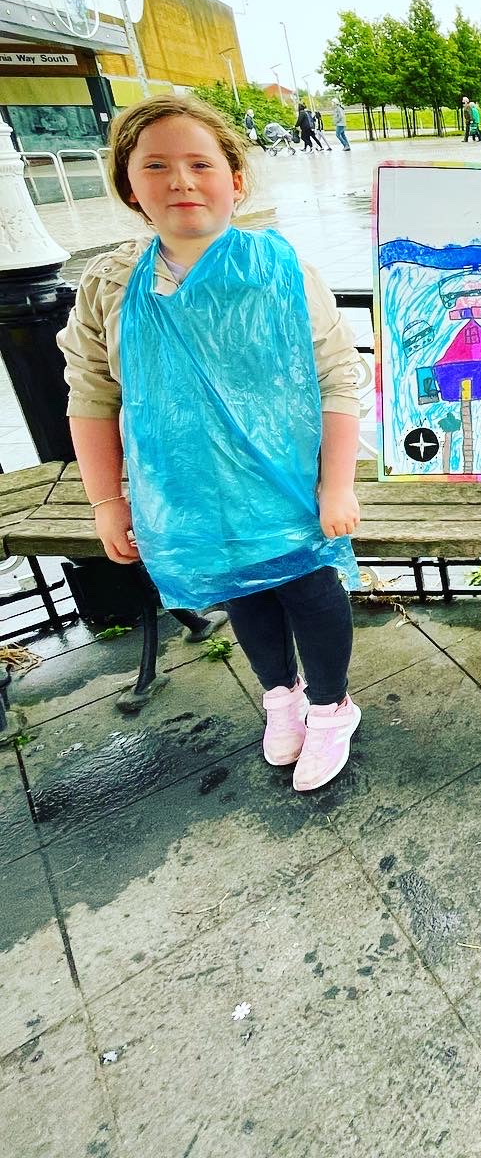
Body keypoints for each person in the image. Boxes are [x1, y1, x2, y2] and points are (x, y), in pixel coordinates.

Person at [58, 94, 368, 792]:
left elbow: (336, 378)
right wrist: (107, 501)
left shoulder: (282, 271)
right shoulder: (110, 286)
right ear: (128, 186)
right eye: (156, 165)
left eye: (201, 163)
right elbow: (92, 397)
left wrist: (336, 483)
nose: (181, 180)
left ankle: (330, 707)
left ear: (236, 179)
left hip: (285, 480)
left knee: (311, 590)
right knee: (243, 594)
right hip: (185, 493)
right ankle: (281, 698)